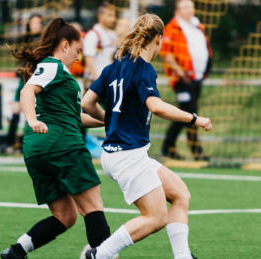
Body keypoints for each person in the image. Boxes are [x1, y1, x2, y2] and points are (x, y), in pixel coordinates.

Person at [81, 13, 212, 259]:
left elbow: (87, 102)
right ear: (159, 39)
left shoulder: (113, 66)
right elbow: (157, 106)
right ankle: (99, 255)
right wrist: (195, 119)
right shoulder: (144, 70)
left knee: (180, 194)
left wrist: (108, 120)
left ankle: (182, 257)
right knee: (156, 217)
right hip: (128, 156)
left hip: (121, 153)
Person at [1, 18, 112, 259]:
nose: (78, 57)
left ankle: (16, 251)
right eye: (77, 50)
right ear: (64, 45)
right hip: (62, 145)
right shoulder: (52, 66)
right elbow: (27, 91)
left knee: (66, 216)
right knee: (93, 207)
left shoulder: (57, 73)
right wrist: (31, 119)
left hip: (37, 150)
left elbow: (74, 117)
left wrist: (107, 121)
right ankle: (102, 256)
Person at [160, 0, 212, 160]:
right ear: (177, 10)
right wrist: (180, 72)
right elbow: (166, 53)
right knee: (187, 111)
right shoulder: (172, 28)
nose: (190, 10)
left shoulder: (197, 26)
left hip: (196, 78)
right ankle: (176, 147)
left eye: (191, 6)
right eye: (185, 7)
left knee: (191, 111)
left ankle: (186, 149)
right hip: (182, 78)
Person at [7, 14, 44, 153]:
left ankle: (26, 144)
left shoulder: (45, 41)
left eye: (38, 23)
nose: (36, 25)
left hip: (37, 82)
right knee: (16, 110)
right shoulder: (24, 40)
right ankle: (9, 143)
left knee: (32, 112)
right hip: (24, 81)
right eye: (33, 23)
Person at [83, 2, 117, 85]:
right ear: (100, 16)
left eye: (114, 15)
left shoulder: (112, 34)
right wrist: (97, 81)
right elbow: (88, 58)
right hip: (95, 81)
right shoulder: (93, 34)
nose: (113, 19)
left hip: (109, 80)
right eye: (110, 15)